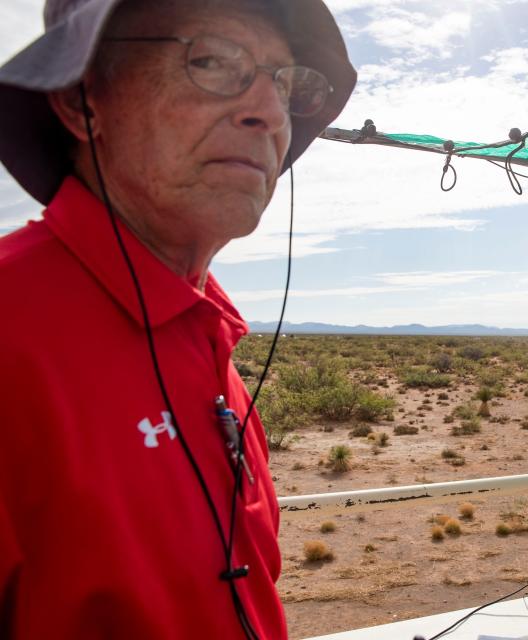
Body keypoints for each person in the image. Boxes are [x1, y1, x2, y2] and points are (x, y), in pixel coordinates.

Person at [0, 0, 355, 637]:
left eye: (286, 84)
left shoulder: (212, 340)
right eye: (214, 61)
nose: (271, 114)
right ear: (84, 102)